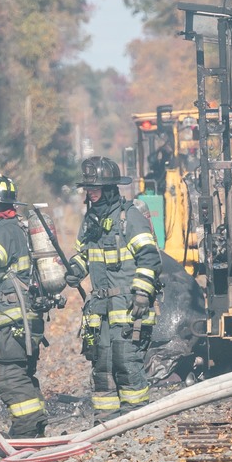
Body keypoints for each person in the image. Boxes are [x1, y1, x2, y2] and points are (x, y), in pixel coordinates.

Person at [69, 155, 161, 422]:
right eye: (88, 189)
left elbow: (149, 256)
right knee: (102, 364)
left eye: (94, 189)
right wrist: (74, 270)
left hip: (128, 307)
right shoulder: (90, 222)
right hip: (99, 310)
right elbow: (83, 255)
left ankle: (135, 419)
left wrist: (143, 292)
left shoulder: (129, 217)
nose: (90, 194)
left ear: (109, 189)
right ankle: (106, 419)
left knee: (125, 362)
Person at [0, 173, 52, 440]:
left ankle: (27, 426)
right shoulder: (17, 228)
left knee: (8, 377)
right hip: (26, 321)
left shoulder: (2, 230)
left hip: (10, 321)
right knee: (23, 374)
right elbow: (3, 273)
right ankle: (36, 426)